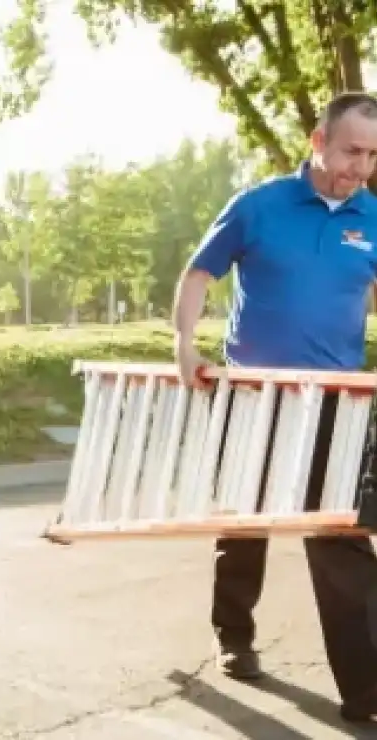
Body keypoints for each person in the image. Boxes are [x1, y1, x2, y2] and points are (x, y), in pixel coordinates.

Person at [174, 91, 377, 723]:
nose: (361, 168)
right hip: (254, 397)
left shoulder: (372, 217)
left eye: (373, 155)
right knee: (243, 527)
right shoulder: (258, 206)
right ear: (318, 141)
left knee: (341, 539)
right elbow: (199, 274)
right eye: (351, 151)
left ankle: (368, 691)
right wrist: (185, 342)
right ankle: (234, 636)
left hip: (334, 403)